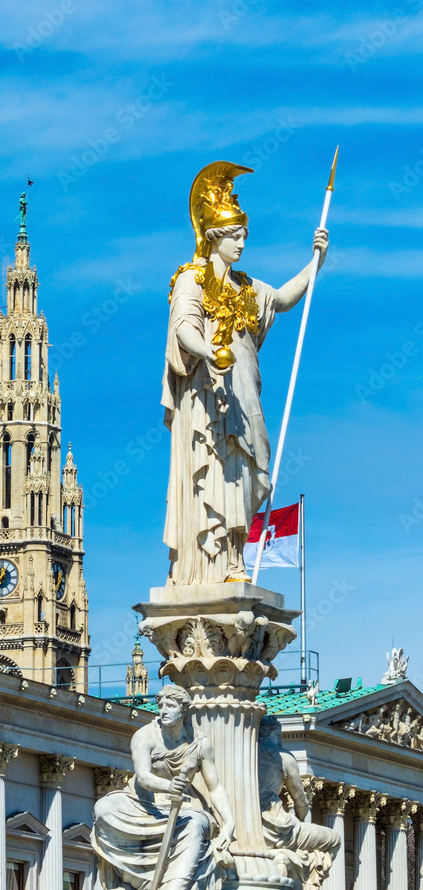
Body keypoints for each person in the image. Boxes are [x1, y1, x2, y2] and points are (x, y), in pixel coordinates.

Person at [163, 161, 329, 585]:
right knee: (216, 469)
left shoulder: (247, 286)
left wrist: (316, 263)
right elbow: (184, 327)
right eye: (235, 237)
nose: (241, 244)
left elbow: (285, 299)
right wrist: (209, 351)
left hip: (244, 392)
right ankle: (218, 564)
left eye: (243, 237)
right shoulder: (191, 280)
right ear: (214, 237)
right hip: (207, 397)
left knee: (254, 473)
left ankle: (233, 555)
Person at [91, 685, 235, 890]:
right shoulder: (145, 736)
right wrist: (169, 785)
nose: (164, 711)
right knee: (103, 809)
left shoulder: (200, 744)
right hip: (141, 802)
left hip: (182, 806)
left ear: (184, 710)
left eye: (171, 706)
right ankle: (141, 884)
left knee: (197, 824)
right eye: (161, 706)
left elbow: (215, 787)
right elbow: (144, 776)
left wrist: (229, 824)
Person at [258, 715, 340, 890]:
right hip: (277, 826)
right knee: (333, 840)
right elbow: (300, 801)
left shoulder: (245, 753)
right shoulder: (283, 756)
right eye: (277, 735)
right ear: (270, 734)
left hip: (249, 823)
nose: (280, 739)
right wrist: (301, 820)